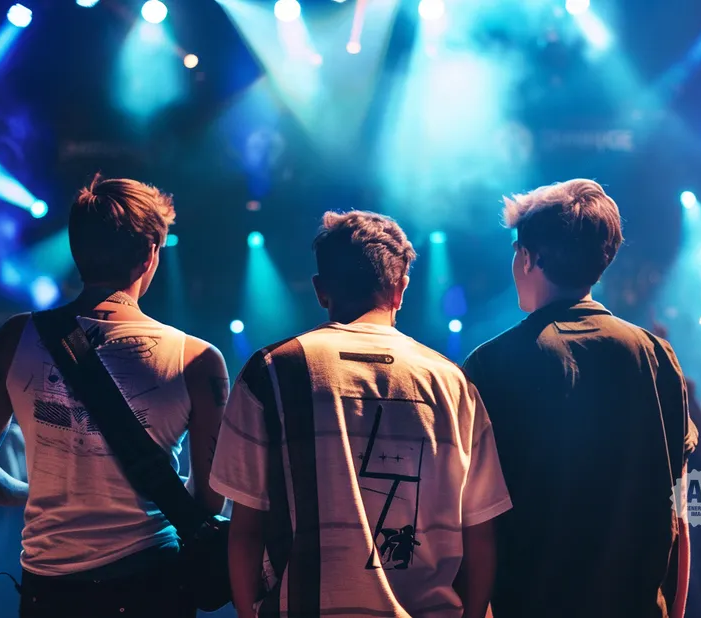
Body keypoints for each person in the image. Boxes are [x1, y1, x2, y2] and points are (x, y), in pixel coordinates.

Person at [0, 175, 228, 618]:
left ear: (77, 252)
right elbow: (208, 502)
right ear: (150, 255)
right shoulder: (197, 360)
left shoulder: (16, 338)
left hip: (51, 593)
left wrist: (31, 492)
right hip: (154, 587)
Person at [211, 211, 512, 618]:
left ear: (320, 290)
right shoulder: (452, 383)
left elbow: (245, 530)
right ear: (401, 289)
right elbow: (480, 533)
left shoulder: (270, 373)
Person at [461, 179, 698, 618]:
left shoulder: (491, 365)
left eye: (517, 252)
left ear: (529, 258)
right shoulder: (656, 357)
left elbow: (478, 523)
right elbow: (679, 513)